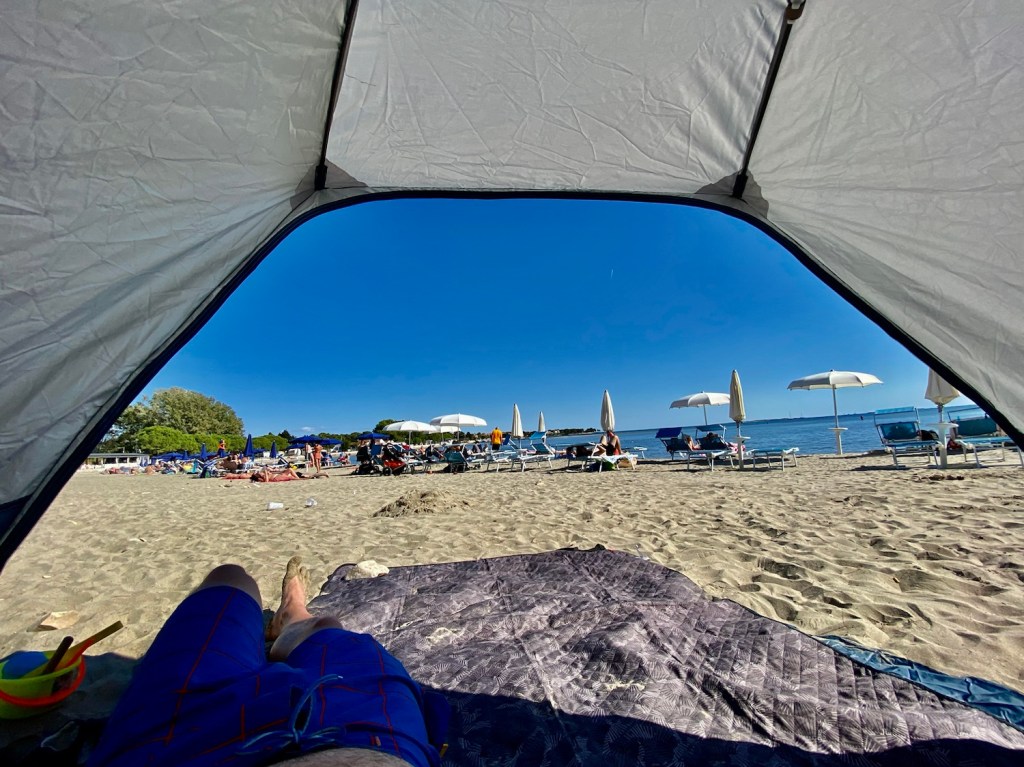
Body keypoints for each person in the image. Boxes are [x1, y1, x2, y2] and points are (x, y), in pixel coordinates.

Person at [88, 557, 447, 767]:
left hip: (180, 744)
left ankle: (289, 617)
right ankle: (292, 613)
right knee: (327, 629)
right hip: (366, 740)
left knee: (231, 577)